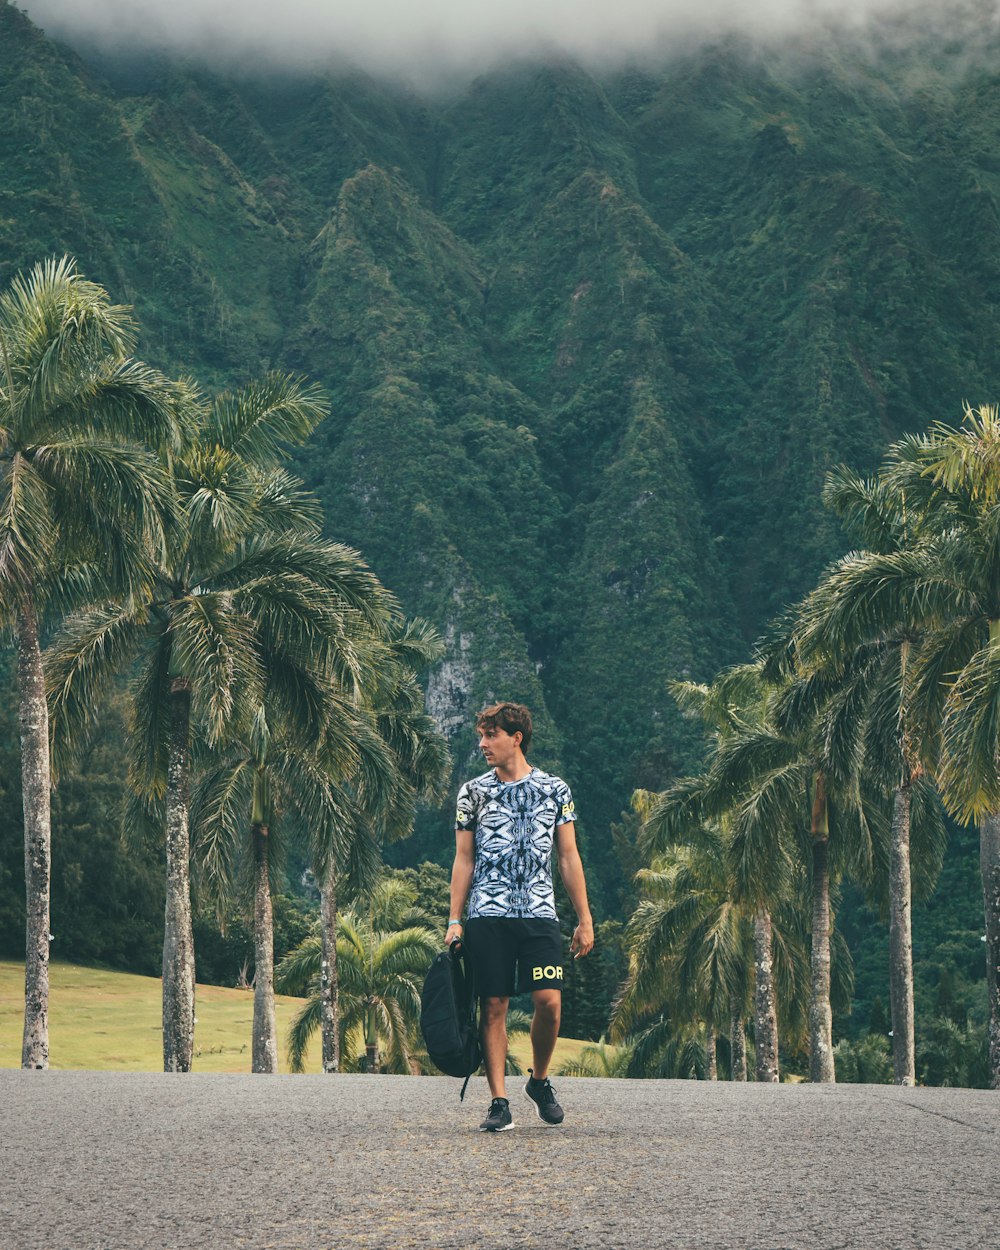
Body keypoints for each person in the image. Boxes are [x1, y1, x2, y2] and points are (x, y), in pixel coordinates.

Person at [446, 701, 594, 1131]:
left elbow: (567, 857)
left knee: (548, 1002)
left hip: (539, 912)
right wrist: (455, 918)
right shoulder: (472, 792)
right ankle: (498, 1102)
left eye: (491, 735)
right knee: (492, 1005)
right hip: (487, 913)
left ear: (517, 738)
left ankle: (539, 1081)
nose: (482, 743)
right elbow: (463, 859)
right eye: (481, 735)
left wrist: (584, 918)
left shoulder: (555, 789)